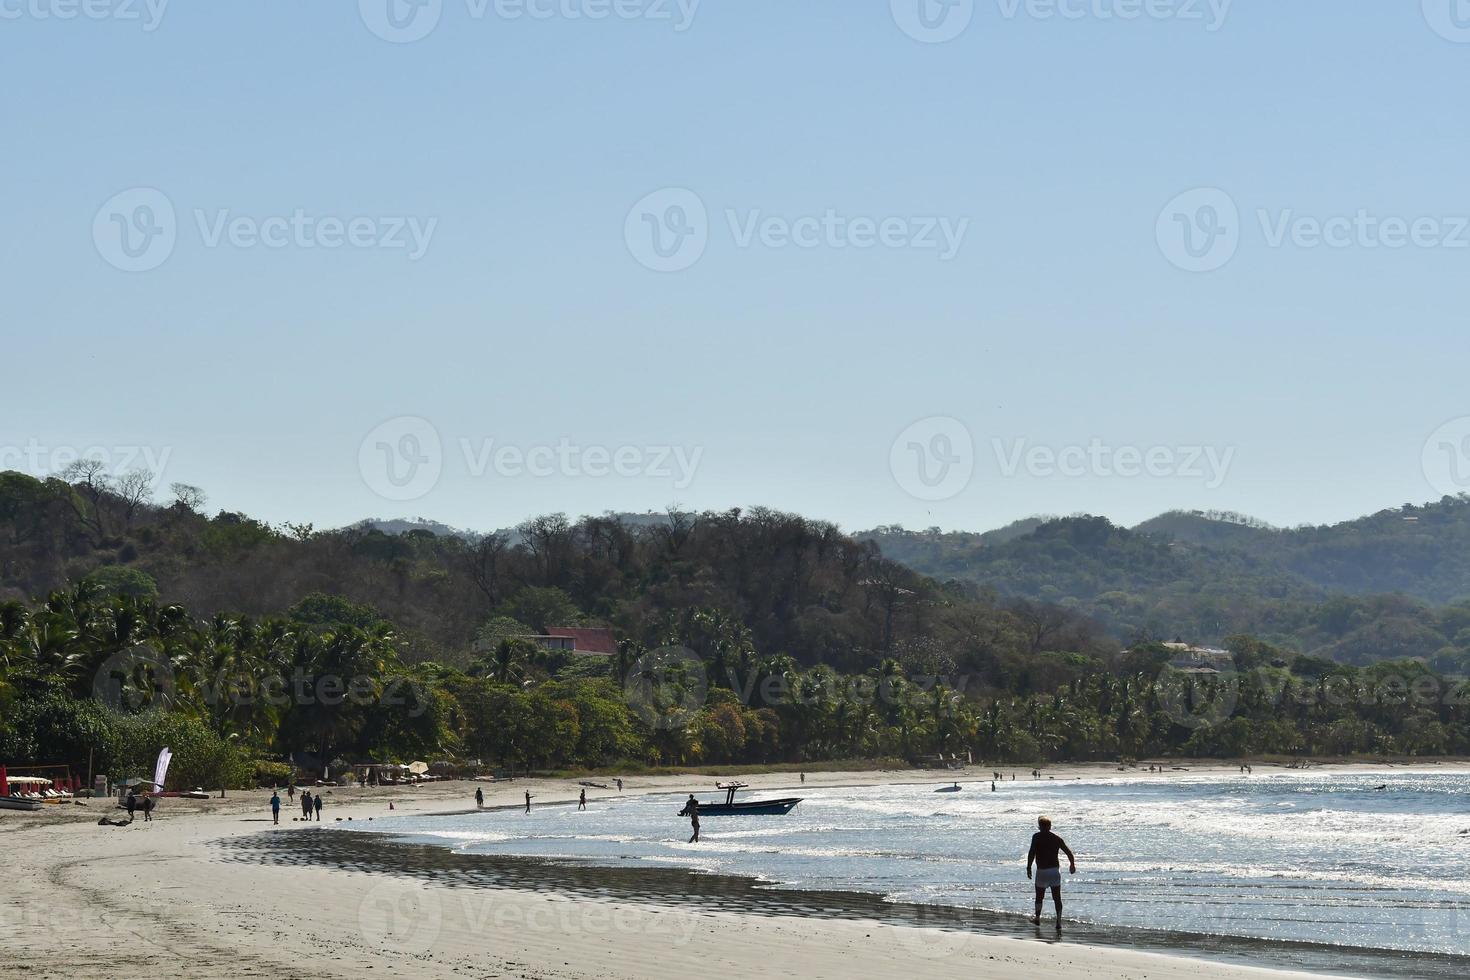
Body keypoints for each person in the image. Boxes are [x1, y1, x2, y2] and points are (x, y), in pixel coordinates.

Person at [1026, 815, 1076, 927]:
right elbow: (1069, 852)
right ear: (1050, 826)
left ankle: (1037, 918)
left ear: (1040, 827)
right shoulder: (1056, 838)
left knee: (1039, 896)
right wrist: (1072, 864)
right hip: (1054, 871)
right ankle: (1058, 922)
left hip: (1042, 871)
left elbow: (1031, 853)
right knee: (1057, 898)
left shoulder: (1036, 837)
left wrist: (1028, 867)